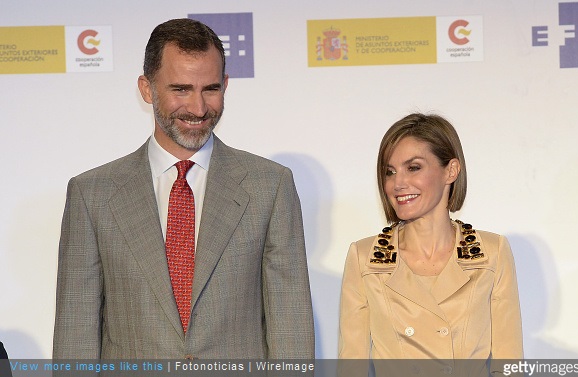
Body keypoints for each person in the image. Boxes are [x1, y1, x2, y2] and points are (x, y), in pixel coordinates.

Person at [53, 18, 314, 359]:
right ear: (147, 89)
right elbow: (76, 334)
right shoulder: (92, 195)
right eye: (180, 89)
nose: (198, 108)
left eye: (211, 88)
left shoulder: (270, 186)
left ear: (226, 84)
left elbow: (290, 327)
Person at [338, 113, 522, 361]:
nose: (398, 183)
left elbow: (509, 363)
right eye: (390, 171)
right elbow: (351, 363)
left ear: (451, 171)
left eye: (413, 168)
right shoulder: (365, 257)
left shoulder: (491, 252)